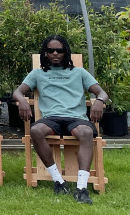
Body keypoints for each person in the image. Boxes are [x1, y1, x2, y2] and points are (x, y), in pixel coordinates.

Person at [12, 35, 107, 205]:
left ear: (66, 52)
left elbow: (102, 92)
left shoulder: (79, 72)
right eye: (50, 50)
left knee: (86, 132)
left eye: (59, 50)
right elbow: (17, 92)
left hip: (76, 118)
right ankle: (59, 181)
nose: (55, 53)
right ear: (45, 53)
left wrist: (99, 101)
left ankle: (81, 188)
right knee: (35, 130)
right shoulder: (38, 73)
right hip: (51, 119)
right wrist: (23, 101)